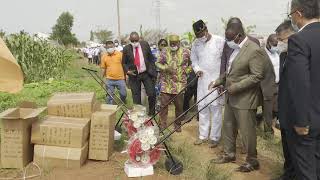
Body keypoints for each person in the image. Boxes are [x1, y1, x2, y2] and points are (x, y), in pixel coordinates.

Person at [210, 22, 267, 172]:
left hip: (245, 99)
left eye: (230, 39)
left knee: (247, 131)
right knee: (228, 127)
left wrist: (236, 87)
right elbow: (231, 71)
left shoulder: (254, 50)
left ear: (239, 35)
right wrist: (219, 80)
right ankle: (229, 154)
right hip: (231, 97)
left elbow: (257, 76)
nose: (228, 42)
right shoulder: (234, 48)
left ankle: (252, 160)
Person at [280, 0, 320, 179]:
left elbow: (299, 83)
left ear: (299, 13)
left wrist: (302, 121)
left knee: (306, 172)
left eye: (291, 15)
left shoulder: (299, 40)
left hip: (307, 123)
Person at [191, 20, 225, 148]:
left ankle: (215, 137)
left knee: (216, 109)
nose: (200, 37)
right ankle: (203, 136)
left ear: (206, 29)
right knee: (202, 107)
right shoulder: (196, 44)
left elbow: (225, 61)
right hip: (202, 80)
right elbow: (194, 60)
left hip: (216, 81)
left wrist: (222, 80)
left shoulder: (219, 41)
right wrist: (197, 69)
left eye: (201, 34)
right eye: (197, 36)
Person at [275, 20, 296, 180]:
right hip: (284, 109)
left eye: (282, 40)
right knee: (286, 146)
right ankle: (287, 173)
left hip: (297, 109)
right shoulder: (283, 55)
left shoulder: (301, 54)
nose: (280, 43)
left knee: (297, 148)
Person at [156, 35, 190, 132]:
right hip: (166, 83)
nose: (173, 45)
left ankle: (177, 124)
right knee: (163, 105)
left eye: (175, 43)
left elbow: (192, 63)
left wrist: (186, 71)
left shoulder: (186, 52)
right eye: (171, 43)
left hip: (180, 84)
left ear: (179, 42)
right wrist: (165, 68)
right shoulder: (164, 51)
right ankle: (162, 124)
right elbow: (157, 63)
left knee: (179, 106)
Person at [122, 32, 157, 116]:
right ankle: (139, 115)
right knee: (136, 96)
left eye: (136, 40)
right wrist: (127, 71)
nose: (135, 43)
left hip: (146, 73)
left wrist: (153, 71)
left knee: (152, 94)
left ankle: (151, 113)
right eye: (133, 41)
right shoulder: (126, 49)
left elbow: (151, 58)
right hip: (134, 75)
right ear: (130, 40)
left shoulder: (145, 45)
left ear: (139, 39)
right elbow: (124, 63)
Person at [260, 34, 279, 135]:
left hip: (278, 85)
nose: (275, 47)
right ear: (268, 43)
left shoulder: (277, 53)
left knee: (276, 109)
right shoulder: (261, 54)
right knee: (268, 111)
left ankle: (258, 119)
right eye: (274, 44)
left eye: (277, 44)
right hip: (267, 86)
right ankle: (268, 132)